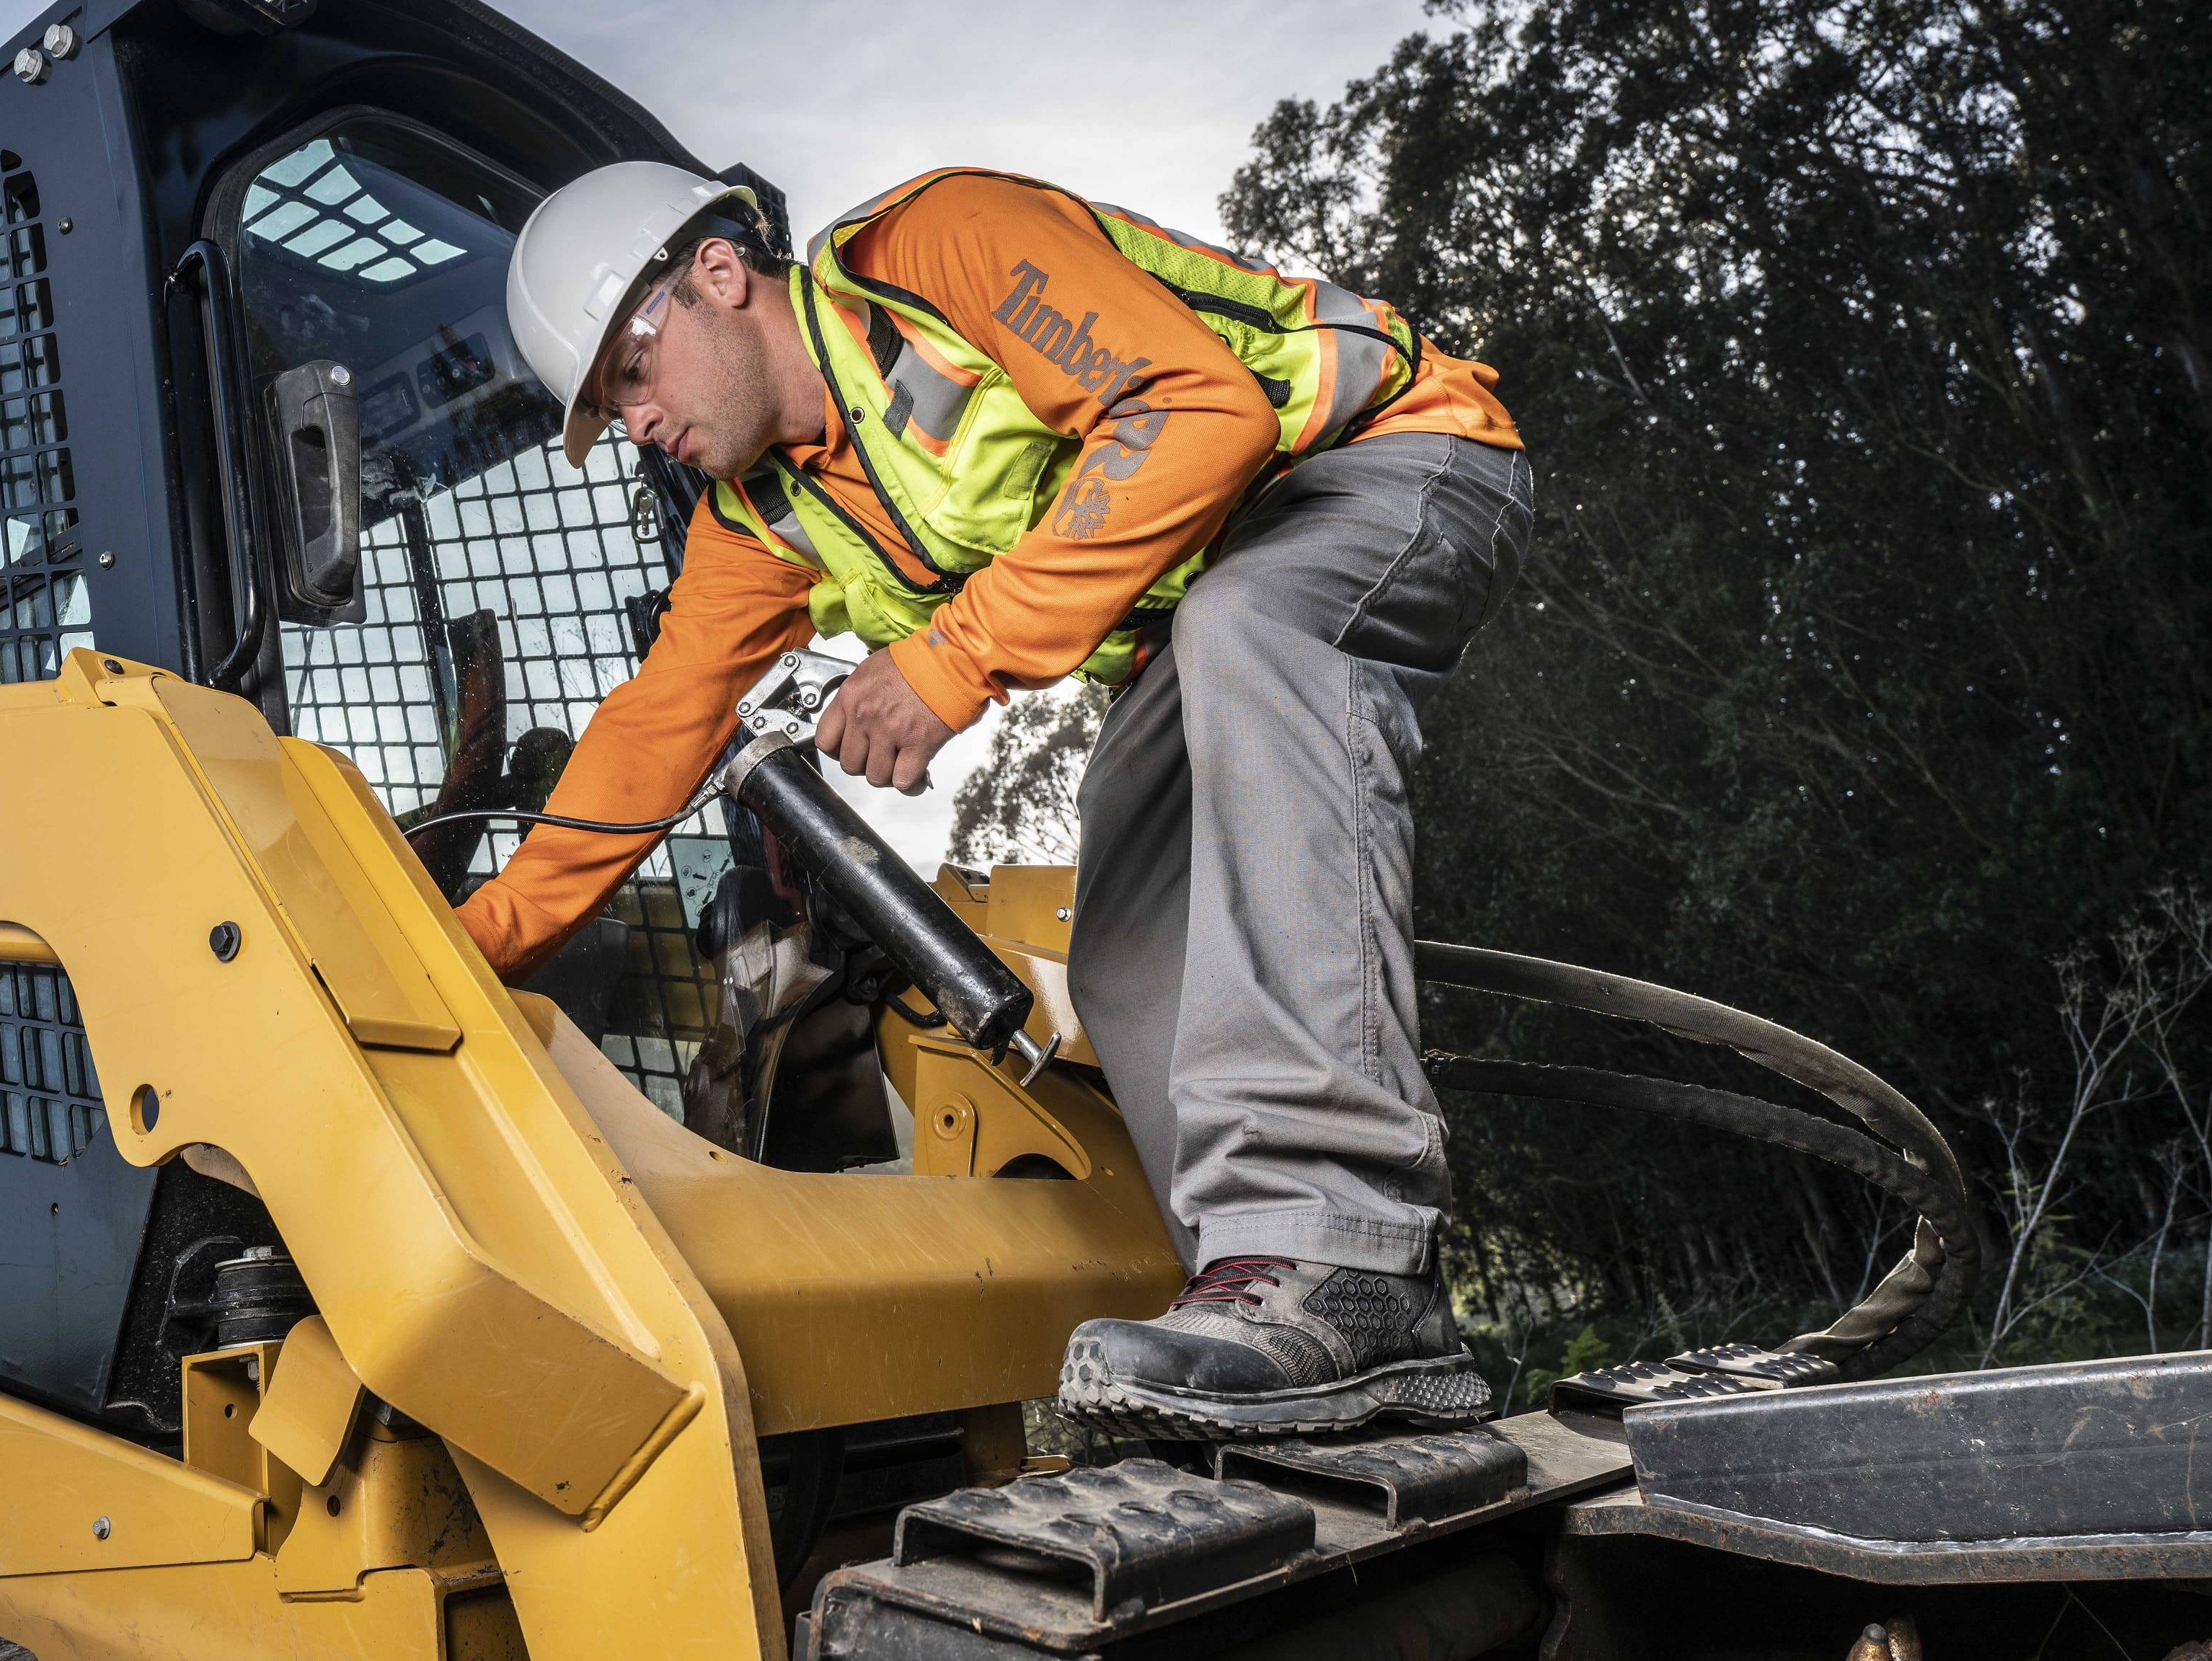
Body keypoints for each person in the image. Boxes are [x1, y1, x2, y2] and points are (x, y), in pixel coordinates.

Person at [461, 162, 1533, 1437]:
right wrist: (468, 947)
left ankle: (1344, 1262)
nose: (634, 421)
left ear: (715, 275)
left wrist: (946, 660)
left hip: (1388, 462)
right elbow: (653, 732)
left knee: (1251, 625)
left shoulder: (937, 252)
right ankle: (1282, 1322)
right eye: (602, 408)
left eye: (630, 373)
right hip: (1213, 616)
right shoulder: (763, 520)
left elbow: (1202, 412)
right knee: (1132, 940)